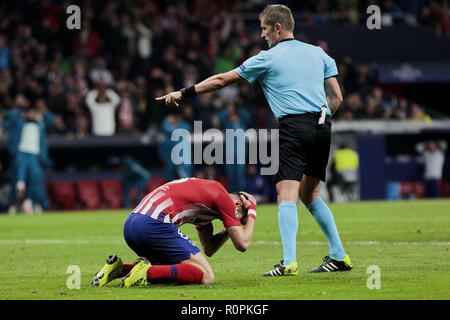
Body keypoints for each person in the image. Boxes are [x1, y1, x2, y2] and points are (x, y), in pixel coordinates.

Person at [156, 4, 352, 275]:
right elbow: (338, 99)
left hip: (294, 126)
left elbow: (223, 80)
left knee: (286, 194)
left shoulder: (267, 58)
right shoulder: (319, 54)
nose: (262, 35)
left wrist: (183, 93)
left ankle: (289, 262)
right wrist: (321, 120)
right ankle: (339, 256)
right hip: (323, 125)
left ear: (277, 28)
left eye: (264, 29)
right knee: (310, 194)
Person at [91, 178, 257, 287]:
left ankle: (119, 269)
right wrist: (252, 213)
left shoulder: (208, 203)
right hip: (153, 223)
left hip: (131, 224)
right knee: (207, 276)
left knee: (175, 269)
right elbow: (242, 244)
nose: (237, 224)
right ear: (239, 205)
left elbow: (209, 249)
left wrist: (230, 227)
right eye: (239, 221)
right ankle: (146, 273)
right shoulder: (223, 197)